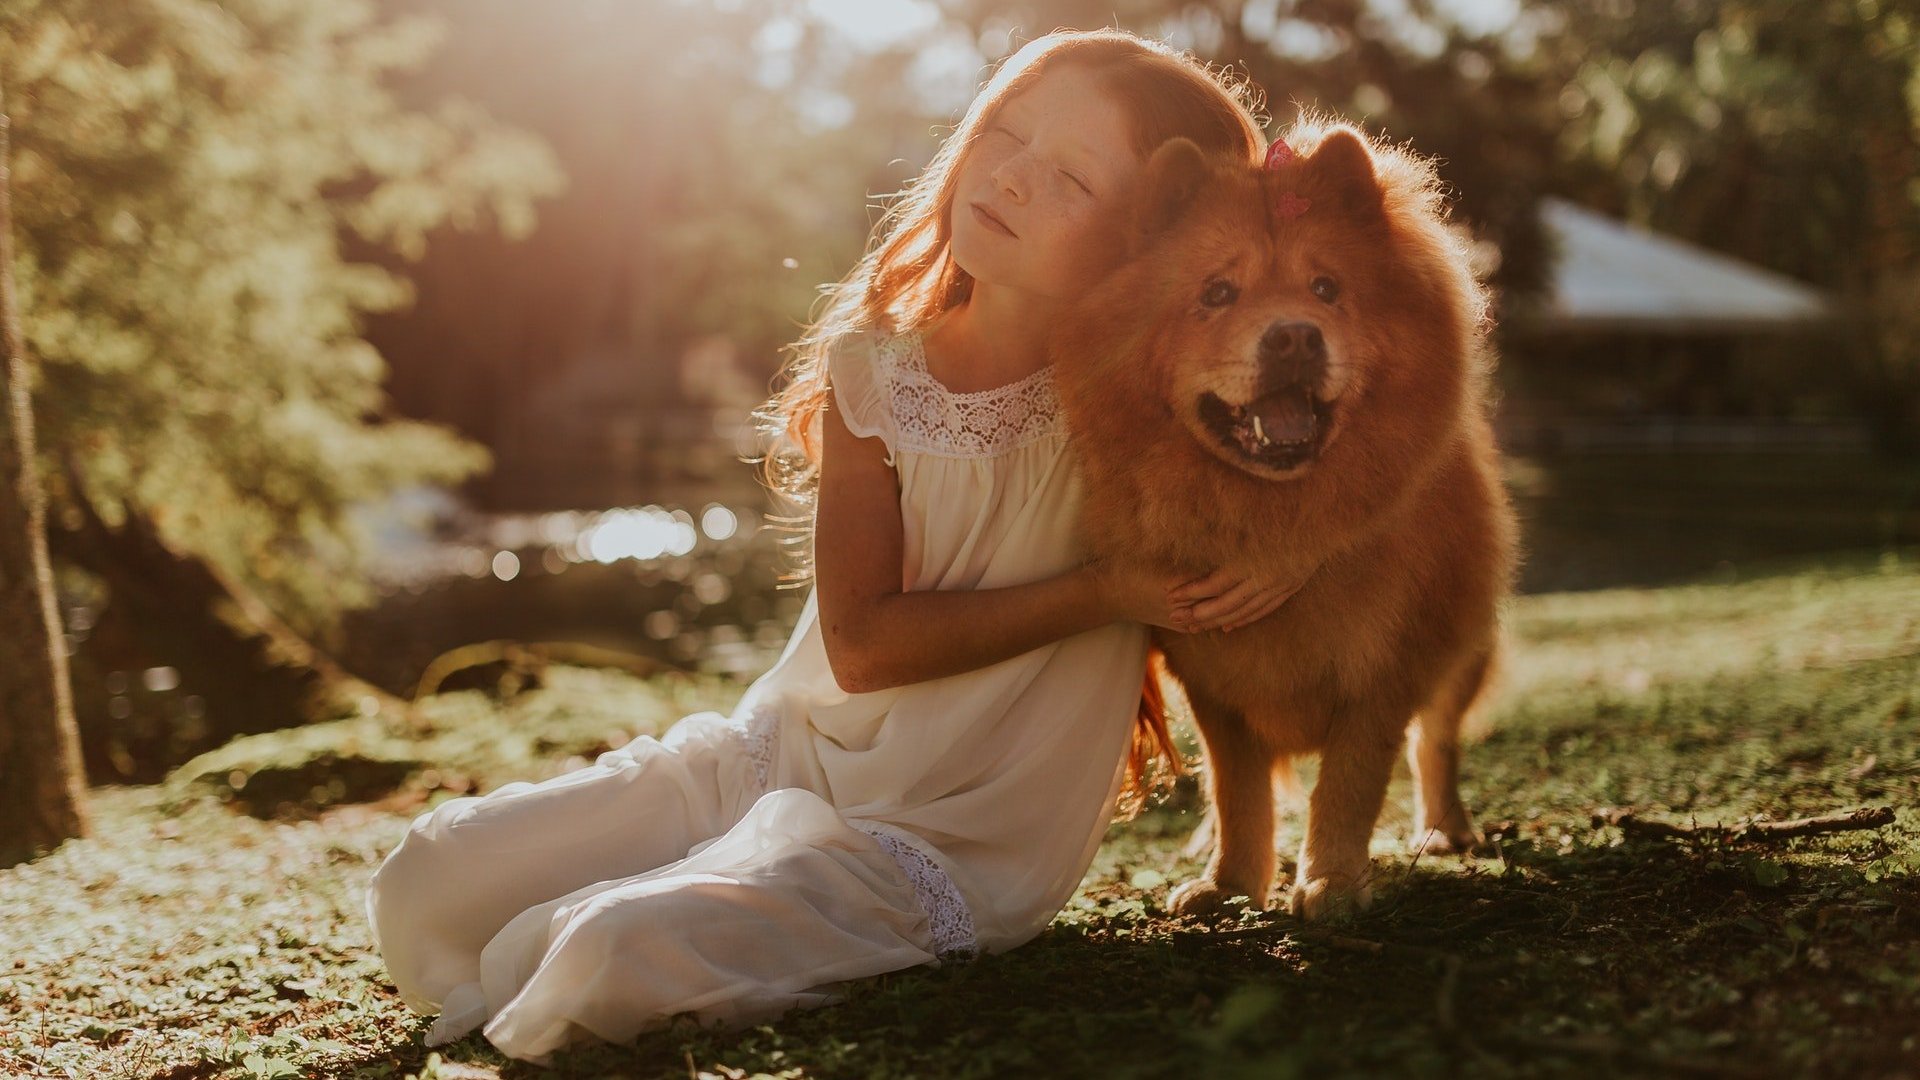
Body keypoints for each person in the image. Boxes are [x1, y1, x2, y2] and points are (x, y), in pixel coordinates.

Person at [364, 26, 1300, 1064]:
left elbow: (1327, 483)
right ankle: (651, 886)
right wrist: (1108, 592)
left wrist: (1280, 560)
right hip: (786, 756)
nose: (1015, 178)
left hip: (950, 836)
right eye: (1008, 131)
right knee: (428, 880)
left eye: (1073, 178)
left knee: (608, 951)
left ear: (1149, 239)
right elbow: (862, 648)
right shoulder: (874, 373)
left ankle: (642, 917)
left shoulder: (1151, 405)